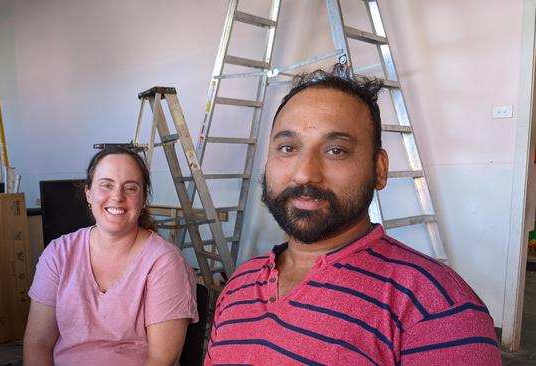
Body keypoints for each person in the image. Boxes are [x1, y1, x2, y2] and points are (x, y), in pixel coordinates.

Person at [205, 64, 502, 365]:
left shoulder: (436, 309)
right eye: (288, 147)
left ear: (379, 169)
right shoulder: (239, 284)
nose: (305, 174)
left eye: (336, 150)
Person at [24, 146, 198, 365]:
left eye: (131, 188)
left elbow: (162, 359)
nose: (117, 197)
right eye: (106, 185)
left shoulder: (164, 262)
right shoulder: (58, 254)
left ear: (143, 200)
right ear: (88, 193)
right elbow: (38, 343)